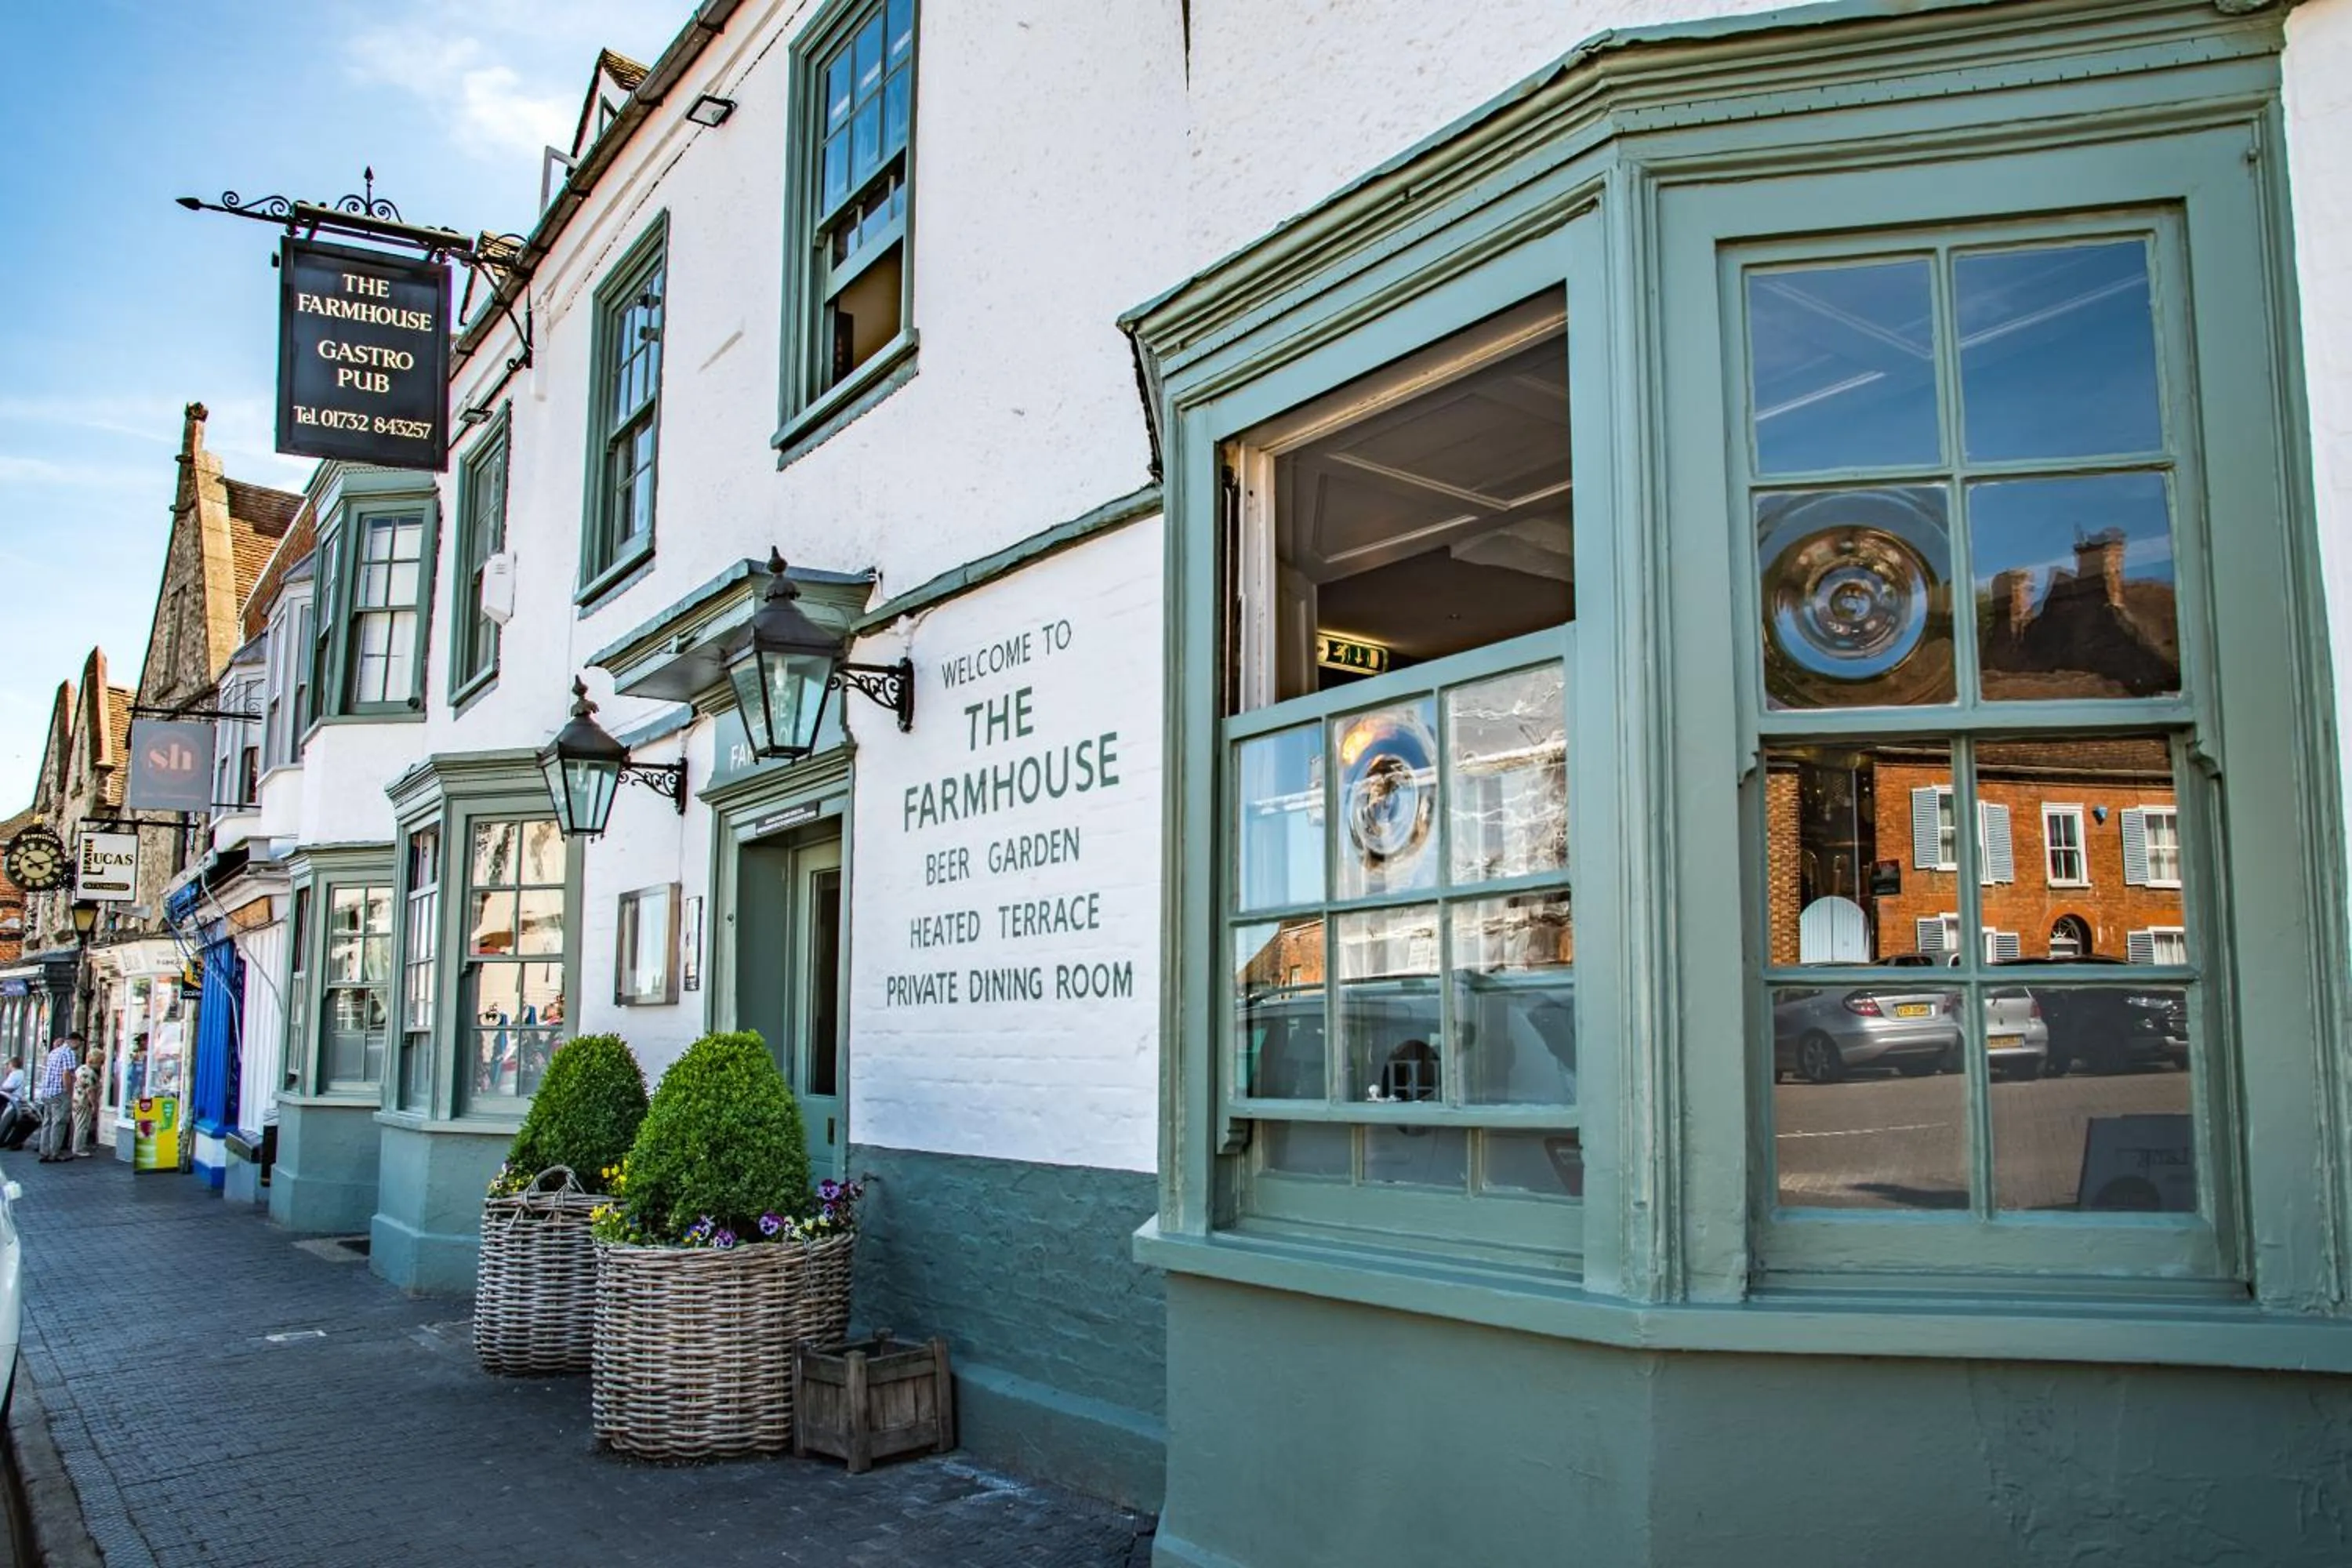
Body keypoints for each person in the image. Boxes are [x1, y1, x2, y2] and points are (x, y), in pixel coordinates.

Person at [34, 1034, 78, 1163]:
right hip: (60, 1092)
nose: (79, 1046)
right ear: (74, 1041)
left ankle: (44, 1151)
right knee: (59, 1122)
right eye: (79, 1043)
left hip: (48, 1091)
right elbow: (66, 1074)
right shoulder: (69, 1053)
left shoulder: (54, 1052)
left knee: (47, 1122)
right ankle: (55, 1152)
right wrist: (70, 1092)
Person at [71, 1043, 101, 1158]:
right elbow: (90, 1091)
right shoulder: (90, 1073)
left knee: (78, 1124)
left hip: (76, 1099)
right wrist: (95, 1105)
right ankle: (78, 1148)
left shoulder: (81, 1068)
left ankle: (78, 1146)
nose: (102, 1064)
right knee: (82, 1126)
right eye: (101, 1062)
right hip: (84, 1102)